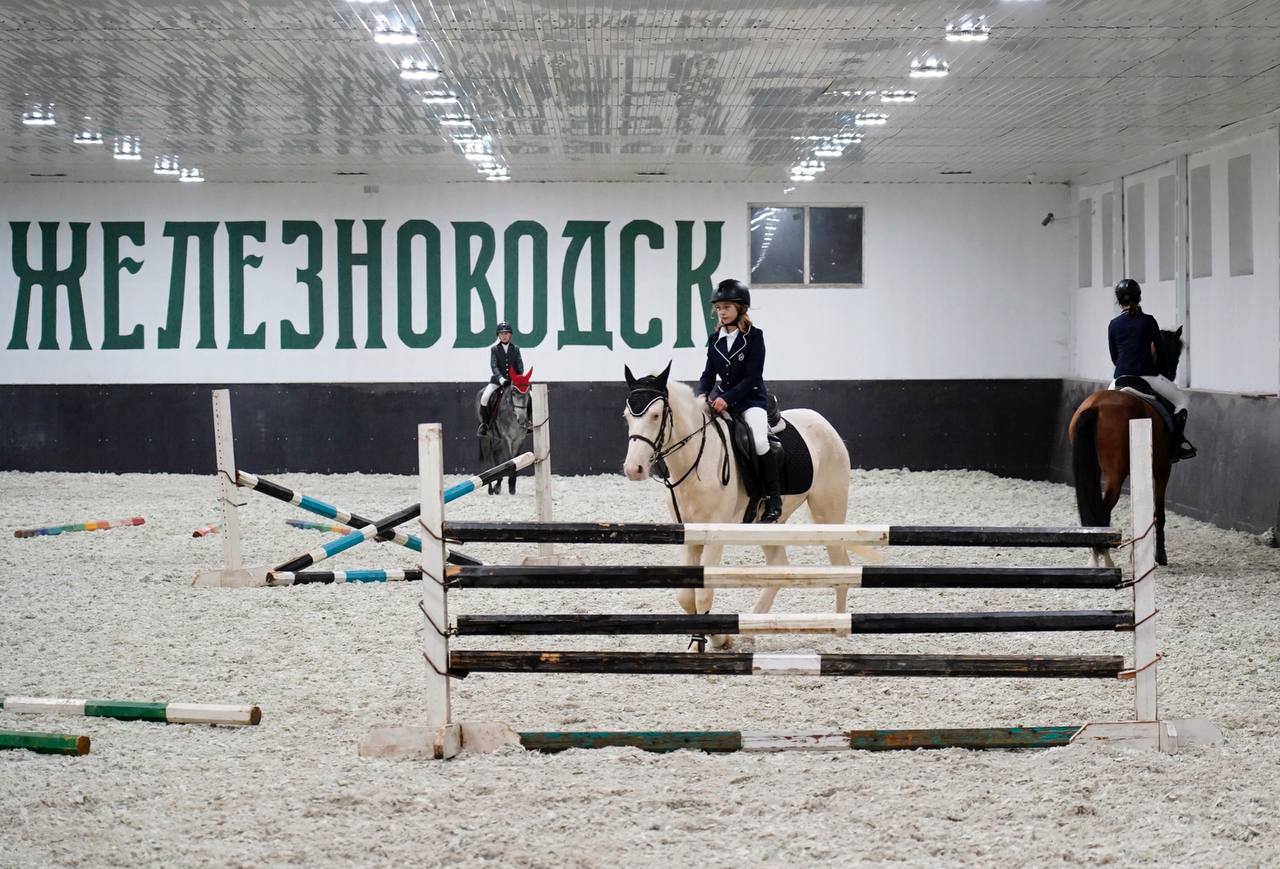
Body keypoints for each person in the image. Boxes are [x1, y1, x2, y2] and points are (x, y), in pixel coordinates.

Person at [696, 278, 783, 522]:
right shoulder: (715, 340)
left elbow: (753, 377)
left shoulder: (754, 337)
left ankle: (773, 500)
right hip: (722, 401)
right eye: (719, 308)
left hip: (751, 400)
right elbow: (707, 375)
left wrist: (726, 397)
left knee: (759, 441)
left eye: (727, 307)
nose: (721, 312)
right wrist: (701, 395)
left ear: (740, 309)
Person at [1108, 278, 1196, 461]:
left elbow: (1114, 357)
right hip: (1146, 376)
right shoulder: (1148, 321)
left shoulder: (1113, 324)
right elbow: (1162, 351)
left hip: (1119, 379)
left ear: (1118, 300)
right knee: (1183, 401)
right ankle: (1176, 445)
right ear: (1139, 298)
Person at [478, 322, 524, 437]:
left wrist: (516, 379)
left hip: (513, 382)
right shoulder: (494, 349)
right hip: (497, 382)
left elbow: (520, 367)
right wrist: (501, 379)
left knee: (530, 395)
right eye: (501, 333)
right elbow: (494, 366)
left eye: (506, 333)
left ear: (510, 335)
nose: (504, 335)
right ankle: (485, 424)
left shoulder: (516, 349)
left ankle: (527, 422)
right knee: (484, 397)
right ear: (498, 335)